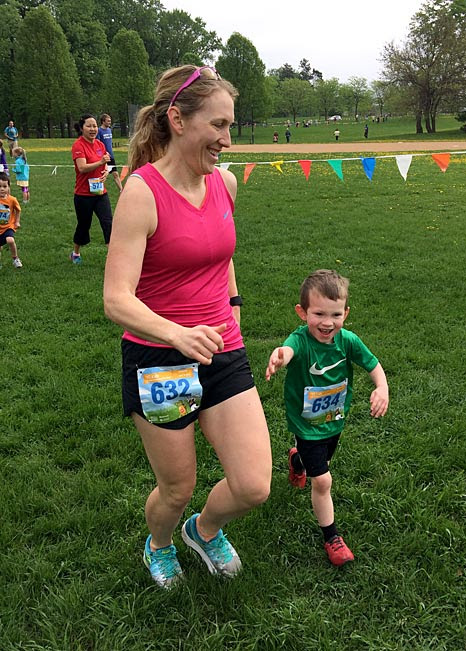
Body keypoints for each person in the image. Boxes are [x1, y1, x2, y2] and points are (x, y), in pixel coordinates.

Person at [103, 64, 271, 589]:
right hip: (159, 360)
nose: (227, 140)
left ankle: (204, 530)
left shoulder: (224, 183)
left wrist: (233, 301)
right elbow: (115, 299)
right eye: (218, 125)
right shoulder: (142, 193)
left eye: (230, 126)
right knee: (176, 488)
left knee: (253, 485)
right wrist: (176, 333)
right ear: (177, 119)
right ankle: (159, 543)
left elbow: (219, 251)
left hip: (221, 347)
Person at [266, 270, 389, 567]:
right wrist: (281, 356)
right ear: (302, 312)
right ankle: (332, 537)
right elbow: (289, 350)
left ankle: (297, 461)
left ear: (345, 313)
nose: (327, 322)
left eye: (335, 314)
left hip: (334, 421)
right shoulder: (301, 341)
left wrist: (382, 387)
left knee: (319, 463)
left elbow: (373, 364)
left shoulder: (347, 341)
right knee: (322, 480)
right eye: (319, 313)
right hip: (306, 426)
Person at [70, 114, 113, 264]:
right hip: (83, 194)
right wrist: (100, 162)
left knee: (108, 222)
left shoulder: (100, 145)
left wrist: (105, 172)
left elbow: (105, 164)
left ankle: (112, 256)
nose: (93, 129)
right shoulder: (78, 145)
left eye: (94, 126)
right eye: (89, 126)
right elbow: (82, 168)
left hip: (100, 192)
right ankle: (75, 253)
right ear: (82, 128)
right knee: (84, 225)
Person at [0, 172, 22, 268]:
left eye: (4, 186)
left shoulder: (12, 200)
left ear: (8, 187)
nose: (2, 189)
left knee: (10, 240)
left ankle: (15, 259)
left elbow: (18, 210)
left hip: (8, 227)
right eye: (0, 186)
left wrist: (17, 221)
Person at [96, 113, 123, 192]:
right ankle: (98, 191)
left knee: (115, 174)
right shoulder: (99, 131)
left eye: (110, 121)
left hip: (111, 156)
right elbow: (97, 145)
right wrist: (101, 155)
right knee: (101, 175)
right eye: (108, 121)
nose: (109, 122)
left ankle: (121, 191)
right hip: (103, 157)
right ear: (103, 121)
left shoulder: (109, 130)